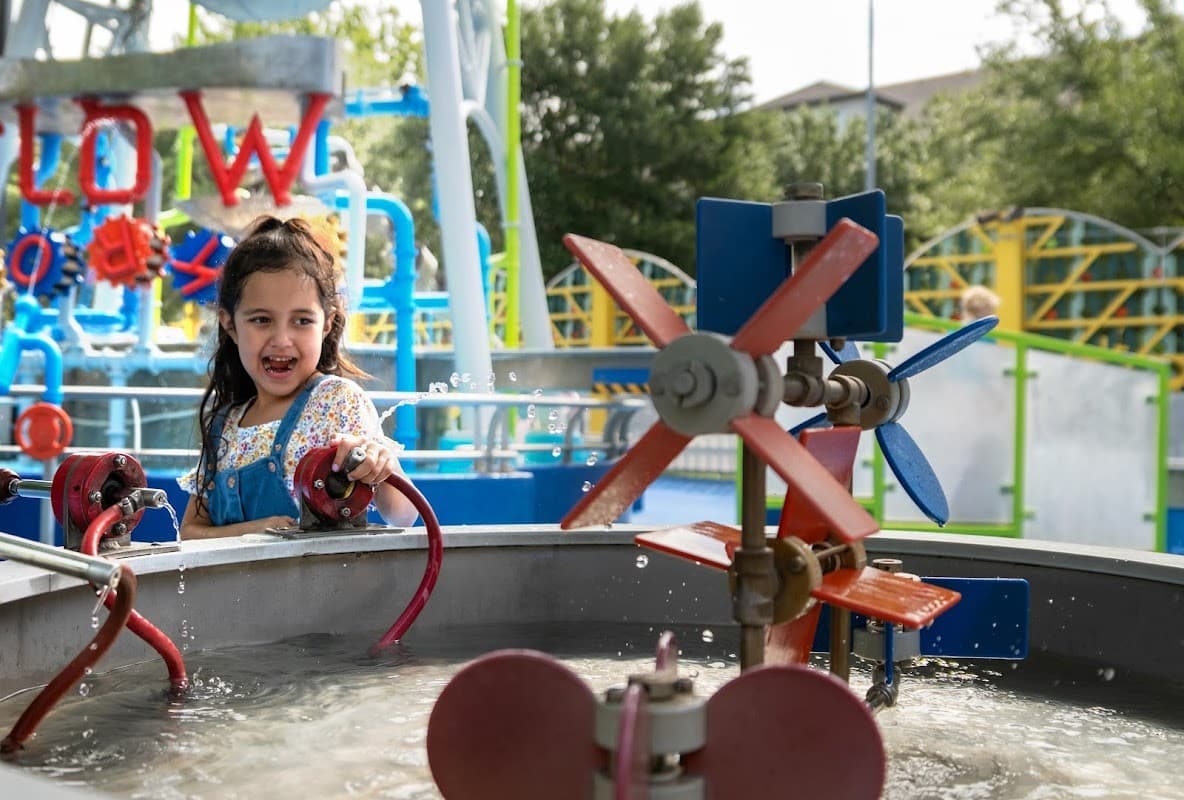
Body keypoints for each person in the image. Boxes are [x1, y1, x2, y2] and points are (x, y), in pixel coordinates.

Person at [178, 216, 418, 539]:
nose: (281, 339)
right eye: (261, 320)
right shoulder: (225, 424)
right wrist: (255, 533)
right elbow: (190, 532)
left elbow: (403, 515)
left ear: (327, 323)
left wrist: (383, 466)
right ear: (230, 324)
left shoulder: (336, 401)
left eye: (302, 321)